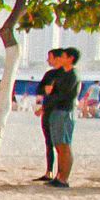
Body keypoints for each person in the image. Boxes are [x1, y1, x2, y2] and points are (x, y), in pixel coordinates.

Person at [44, 47, 80, 188]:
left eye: (63, 56)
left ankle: (64, 178)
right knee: (59, 145)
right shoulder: (64, 74)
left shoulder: (73, 75)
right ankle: (59, 176)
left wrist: (51, 94)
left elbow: (64, 95)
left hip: (64, 112)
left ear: (70, 58)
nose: (60, 58)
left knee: (64, 145)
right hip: (57, 111)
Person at [35, 49, 60, 181]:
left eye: (49, 58)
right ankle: (49, 171)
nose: (47, 60)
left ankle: (60, 174)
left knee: (60, 144)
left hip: (58, 112)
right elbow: (40, 90)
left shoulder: (64, 75)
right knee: (48, 142)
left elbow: (58, 94)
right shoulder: (49, 74)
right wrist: (40, 107)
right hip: (47, 111)